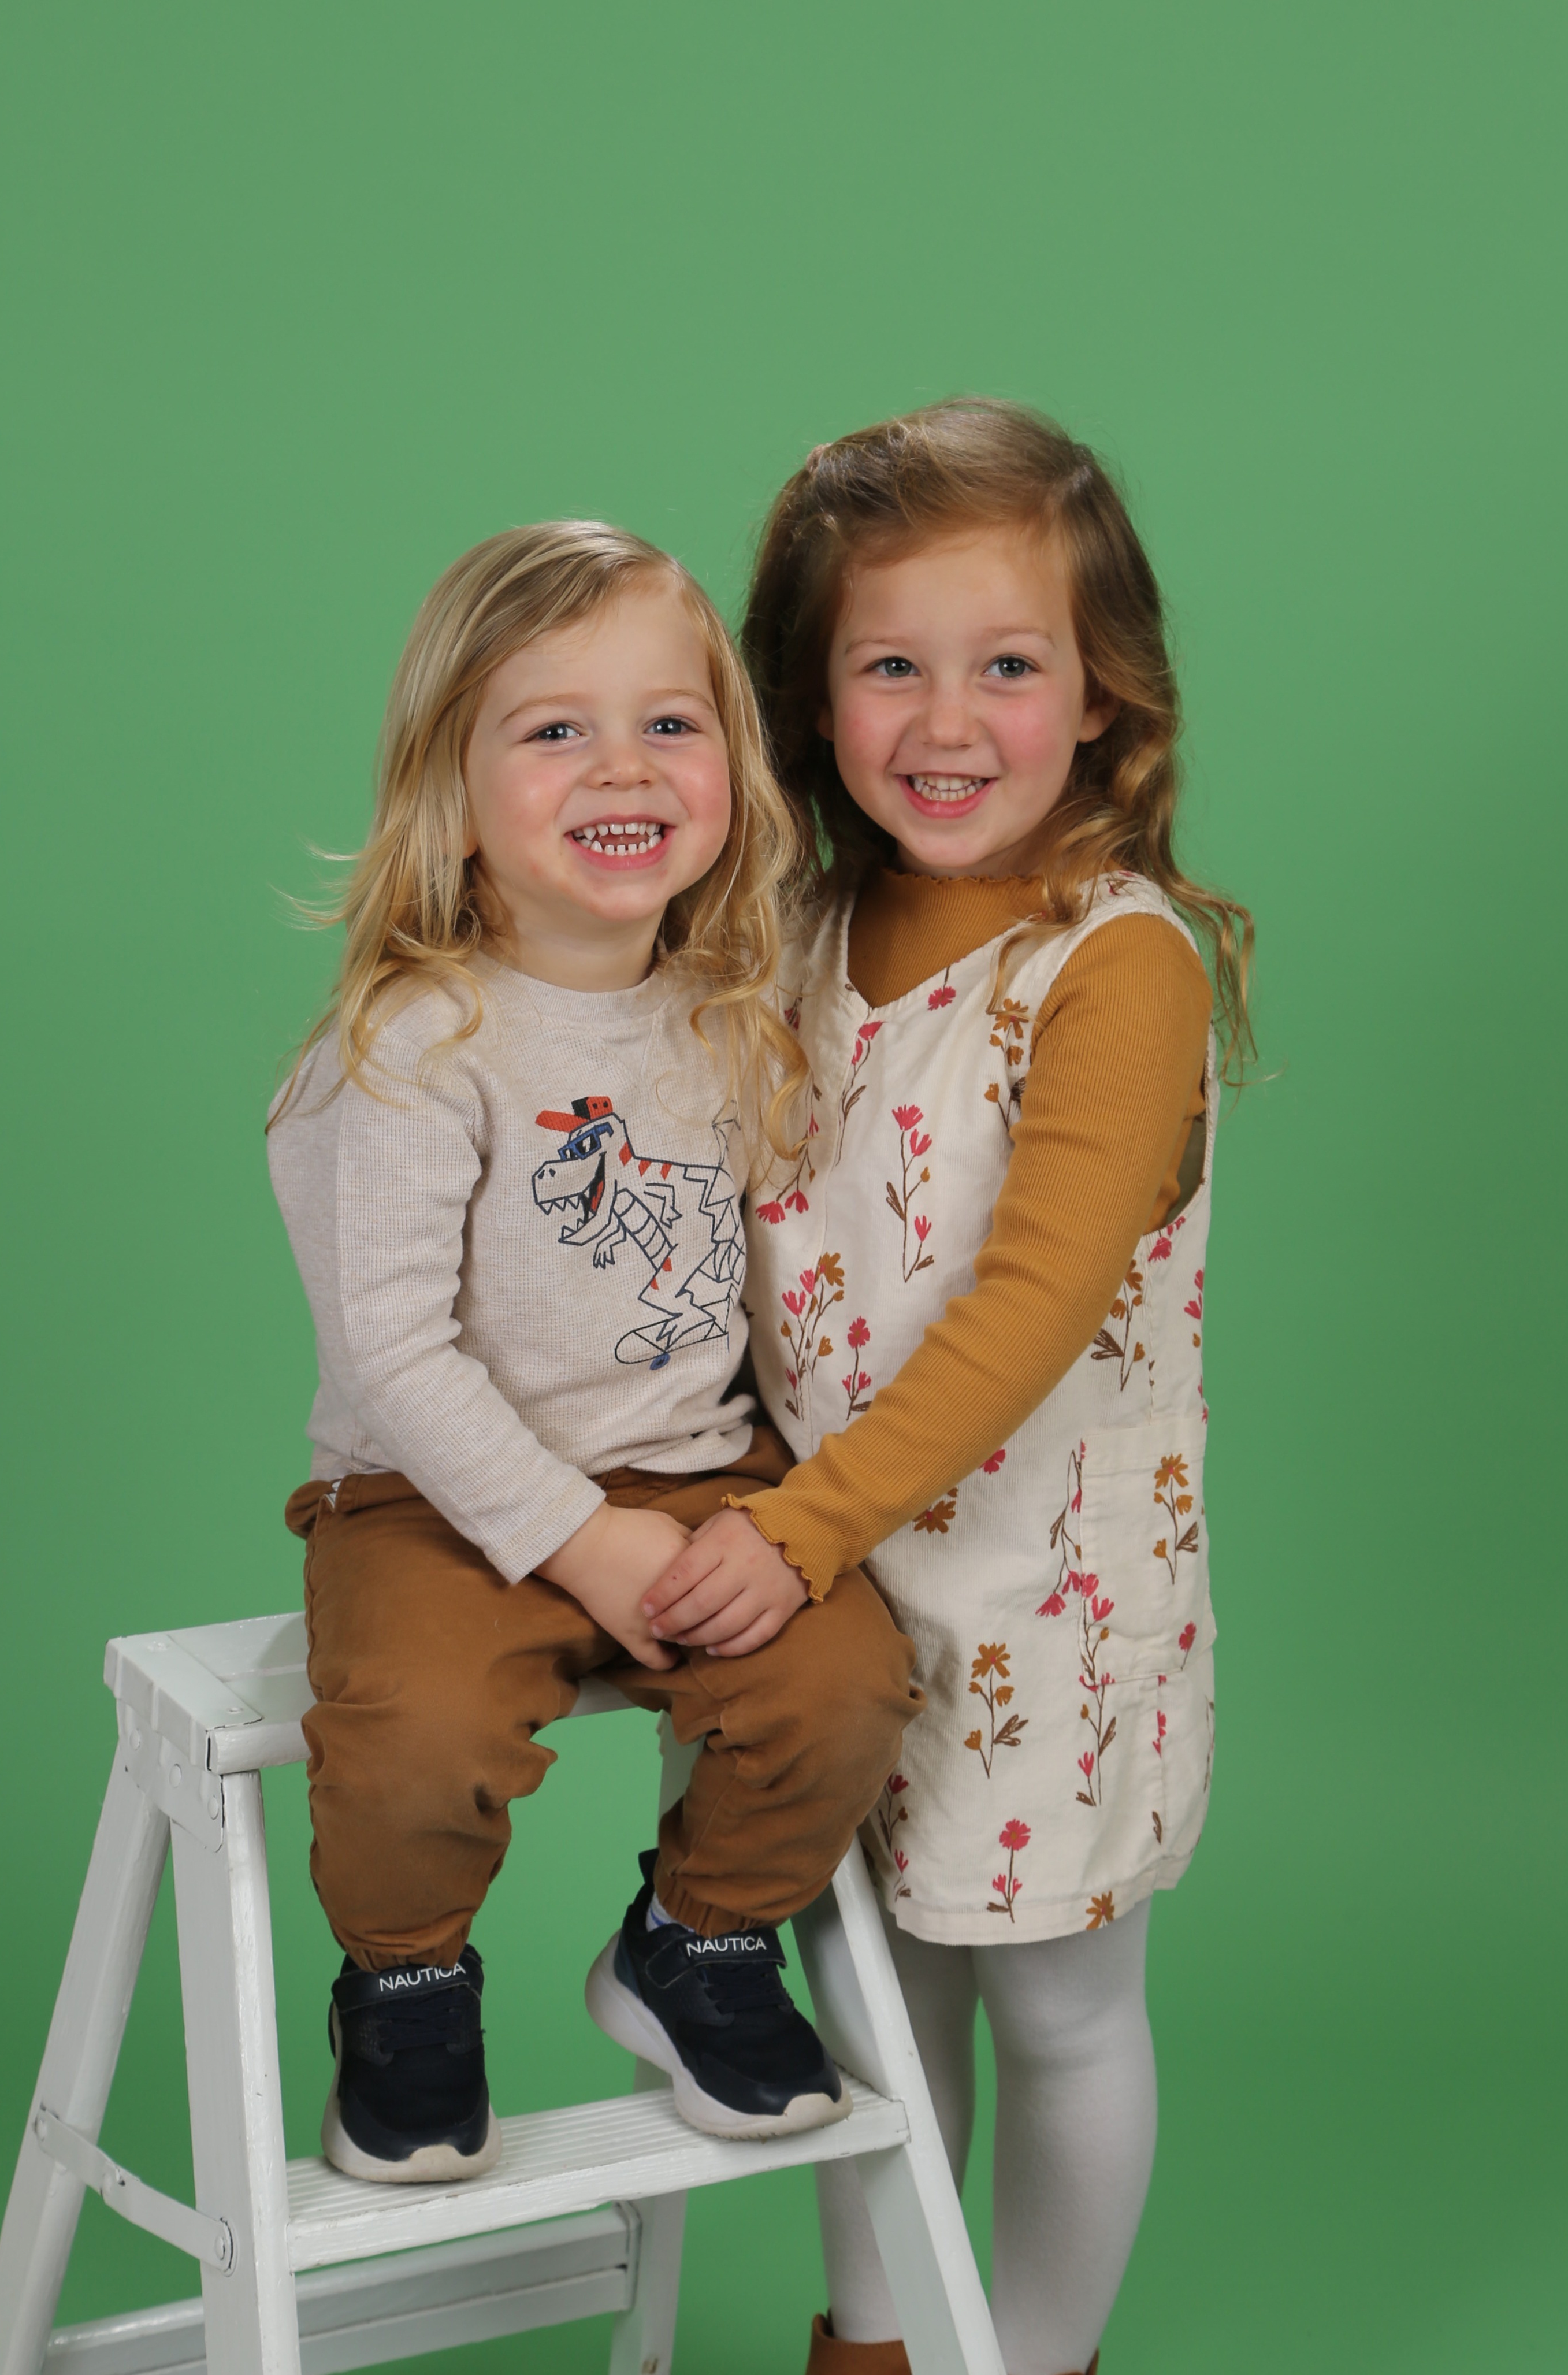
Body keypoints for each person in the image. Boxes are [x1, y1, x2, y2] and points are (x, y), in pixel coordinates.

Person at [642, 403, 1253, 2375]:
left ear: (1102, 693)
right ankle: (878, 2346)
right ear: (809, 698)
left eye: (1006, 666)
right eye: (887, 666)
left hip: (1039, 1598)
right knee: (863, 1999)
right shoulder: (797, 933)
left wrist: (792, 1528)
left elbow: (1026, 1308)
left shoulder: (1112, 965)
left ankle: (1042, 2358)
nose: (945, 721)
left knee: (1057, 2011)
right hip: (825, 1599)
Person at [267, 521, 922, 2184]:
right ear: (452, 794)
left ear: (730, 776)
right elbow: (395, 1354)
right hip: (436, 1494)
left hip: (695, 1472)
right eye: (555, 728)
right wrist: (574, 1535)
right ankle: (406, 1986)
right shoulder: (415, 1042)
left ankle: (695, 1939)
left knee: (846, 1686)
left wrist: (748, 1518)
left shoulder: (731, 1008)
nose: (621, 765)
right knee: (414, 1731)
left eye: (668, 723)